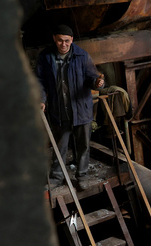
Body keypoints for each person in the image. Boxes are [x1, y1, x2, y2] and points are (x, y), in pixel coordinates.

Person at [36, 24, 104, 190]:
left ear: (72, 40)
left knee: (83, 146)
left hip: (81, 110)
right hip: (59, 111)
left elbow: (92, 78)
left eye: (67, 41)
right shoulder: (46, 57)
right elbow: (39, 82)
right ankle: (56, 178)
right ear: (54, 39)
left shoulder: (82, 56)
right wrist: (41, 99)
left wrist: (98, 83)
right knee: (59, 146)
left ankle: (81, 176)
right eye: (60, 40)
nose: (63, 44)